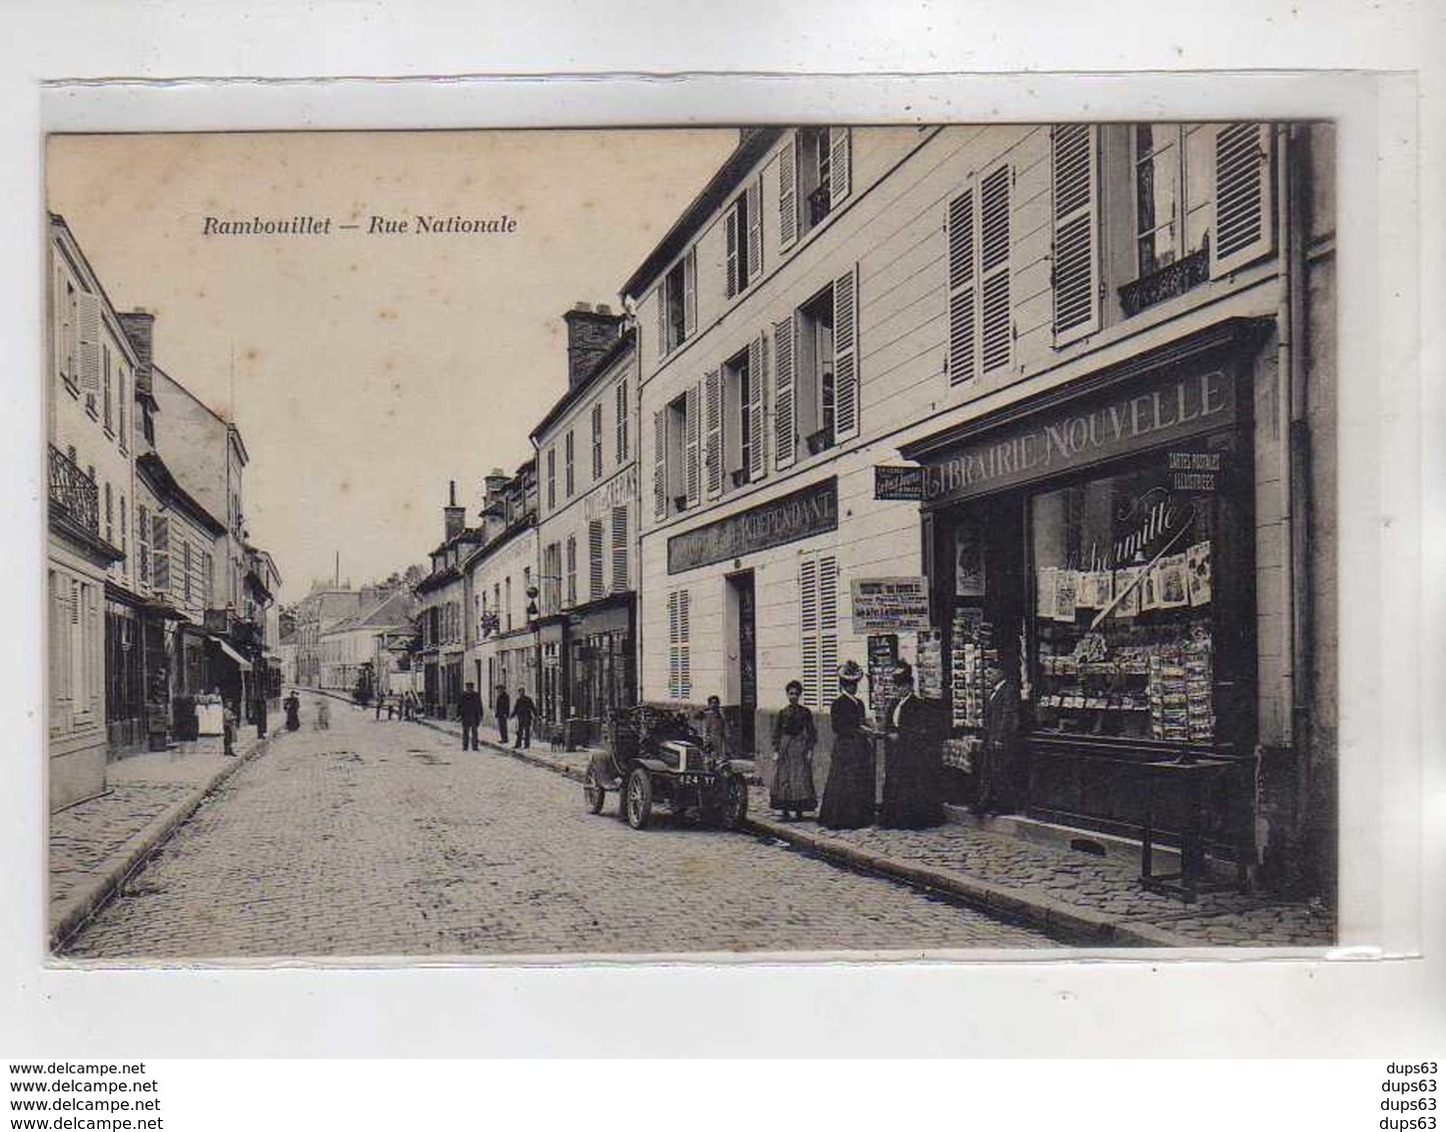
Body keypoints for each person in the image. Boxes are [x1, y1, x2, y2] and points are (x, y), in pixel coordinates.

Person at [880, 661, 944, 829]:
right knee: (894, 782)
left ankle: (909, 819)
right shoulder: (894, 703)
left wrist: (900, 735)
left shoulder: (917, 705)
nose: (899, 690)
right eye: (897, 686)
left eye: (902, 686)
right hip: (895, 751)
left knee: (909, 785)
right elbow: (888, 723)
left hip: (910, 751)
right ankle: (892, 818)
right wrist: (888, 732)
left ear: (909, 686)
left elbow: (920, 729)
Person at [818, 660, 878, 830]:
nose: (853, 687)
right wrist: (859, 730)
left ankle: (860, 816)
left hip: (859, 746)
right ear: (843, 685)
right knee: (844, 781)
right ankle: (842, 817)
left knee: (859, 779)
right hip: (845, 746)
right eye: (849, 684)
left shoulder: (859, 703)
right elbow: (838, 727)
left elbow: (861, 720)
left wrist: (869, 728)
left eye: (854, 684)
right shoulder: (838, 703)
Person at [975, 663, 1022, 815]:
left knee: (1001, 772)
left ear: (1000, 673)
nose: (987, 676)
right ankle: (985, 803)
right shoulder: (993, 691)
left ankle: (1005, 805)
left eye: (991, 672)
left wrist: (1000, 737)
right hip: (991, 737)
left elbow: (1008, 716)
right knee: (990, 771)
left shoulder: (1008, 690)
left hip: (1002, 739)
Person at [769, 680, 817, 821]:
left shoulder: (805, 712)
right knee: (784, 779)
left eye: (796, 694)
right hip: (785, 748)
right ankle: (784, 810)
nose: (793, 696)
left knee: (799, 779)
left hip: (799, 748)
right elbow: (777, 733)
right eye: (791, 694)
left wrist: (809, 749)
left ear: (800, 695)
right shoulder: (783, 712)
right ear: (787, 695)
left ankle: (799, 811)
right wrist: (776, 750)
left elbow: (812, 732)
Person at [700, 695, 731, 762]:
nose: (714, 705)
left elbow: (724, 725)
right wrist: (707, 739)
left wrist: (726, 735)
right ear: (709, 704)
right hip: (711, 737)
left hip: (720, 737)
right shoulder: (708, 715)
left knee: (721, 757)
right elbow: (705, 728)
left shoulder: (721, 714)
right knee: (711, 757)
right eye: (712, 703)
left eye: (716, 703)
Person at [458, 681, 485, 751]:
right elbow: (460, 706)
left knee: (474, 732)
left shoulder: (476, 695)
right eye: (468, 687)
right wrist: (459, 715)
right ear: (466, 688)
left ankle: (475, 746)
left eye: (470, 687)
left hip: (474, 716)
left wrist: (481, 715)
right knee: (465, 732)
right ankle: (465, 746)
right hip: (465, 716)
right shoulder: (463, 695)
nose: (469, 689)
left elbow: (479, 705)